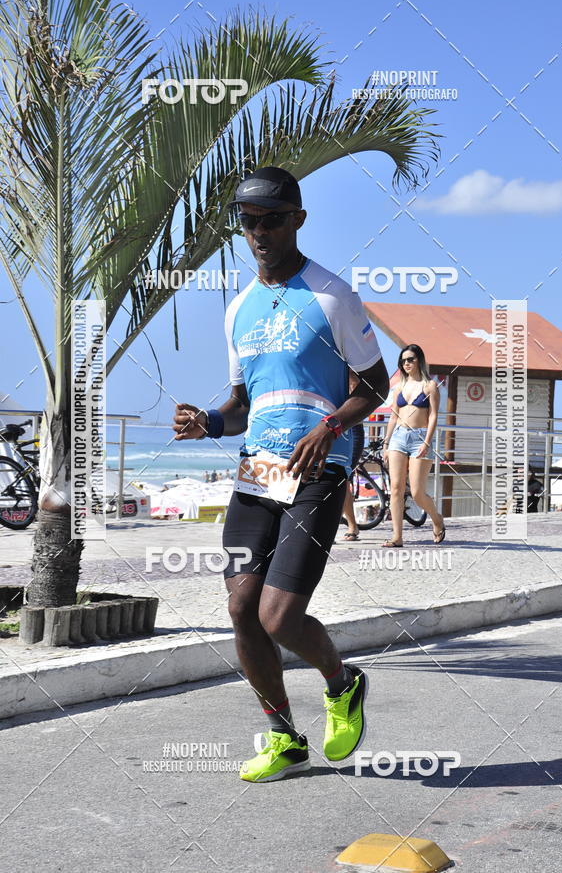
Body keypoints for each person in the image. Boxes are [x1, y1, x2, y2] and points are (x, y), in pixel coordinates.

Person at [173, 166, 389, 783]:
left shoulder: (332, 295)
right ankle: (283, 736)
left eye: (271, 218)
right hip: (260, 468)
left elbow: (376, 384)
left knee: (280, 618)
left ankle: (342, 685)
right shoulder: (238, 310)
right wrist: (208, 422)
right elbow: (242, 405)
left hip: (318, 468)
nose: (259, 231)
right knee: (242, 606)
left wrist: (330, 429)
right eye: (248, 221)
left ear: (298, 219)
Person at [382, 344, 445, 547]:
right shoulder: (399, 387)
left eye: (410, 359)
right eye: (403, 360)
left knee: (417, 492)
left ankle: (437, 519)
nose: (406, 363)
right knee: (396, 488)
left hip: (420, 438)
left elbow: (434, 415)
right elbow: (394, 415)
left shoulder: (430, 386)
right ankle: (397, 537)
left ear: (419, 360)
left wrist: (427, 441)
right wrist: (386, 442)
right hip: (398, 438)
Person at [339, 420, 365, 541]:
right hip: (334, 431)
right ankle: (352, 526)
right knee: (344, 482)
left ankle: (330, 528)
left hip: (352, 429)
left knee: (343, 480)